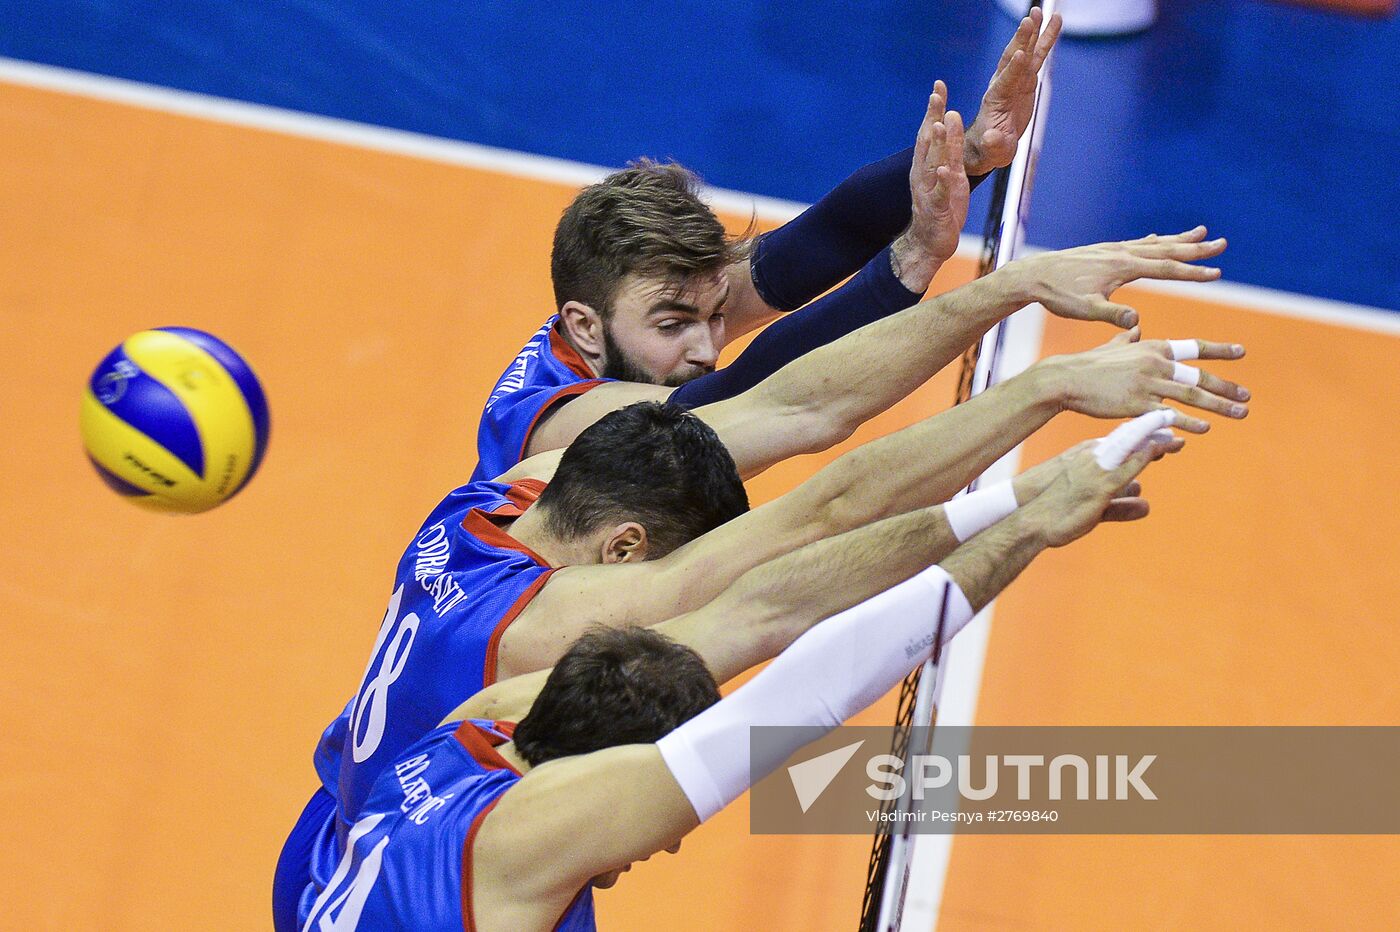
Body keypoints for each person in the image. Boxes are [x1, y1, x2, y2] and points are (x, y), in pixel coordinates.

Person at [275, 224, 1248, 929]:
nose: (661, 847)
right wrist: (1020, 508)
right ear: (621, 546)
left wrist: (1004, 293)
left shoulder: (500, 521)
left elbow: (794, 411)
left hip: (339, 850)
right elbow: (799, 635)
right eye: (671, 557)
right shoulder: (537, 739)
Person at [302, 414, 1175, 930]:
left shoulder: (484, 725)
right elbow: (810, 691)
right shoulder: (537, 832)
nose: (672, 837)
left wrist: (1016, 499)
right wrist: (1025, 537)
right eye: (660, 803)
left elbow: (762, 612)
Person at [471, 10, 1064, 481]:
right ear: (585, 327)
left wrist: (976, 155)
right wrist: (915, 258)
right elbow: (753, 390)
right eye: (674, 325)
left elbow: (822, 239)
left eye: (715, 314)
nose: (707, 346)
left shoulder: (630, 319)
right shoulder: (557, 426)